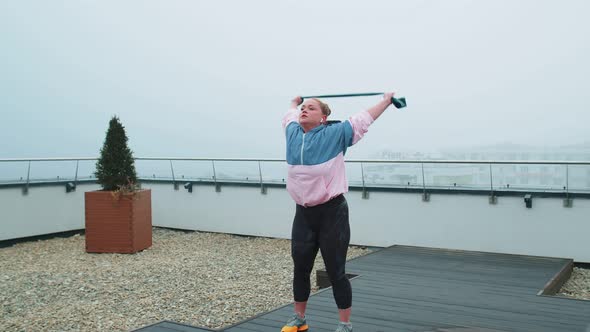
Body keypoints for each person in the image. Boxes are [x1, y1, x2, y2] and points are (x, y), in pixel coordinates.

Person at [281, 93, 396, 332]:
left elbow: (363, 119)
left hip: (332, 213)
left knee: (336, 271)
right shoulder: (292, 132)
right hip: (303, 214)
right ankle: (299, 320)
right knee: (300, 267)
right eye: (303, 107)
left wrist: (386, 100)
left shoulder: (335, 134)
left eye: (310, 108)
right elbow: (289, 113)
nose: (304, 110)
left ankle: (345, 325)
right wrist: (294, 102)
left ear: (323, 118)